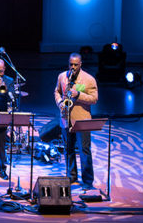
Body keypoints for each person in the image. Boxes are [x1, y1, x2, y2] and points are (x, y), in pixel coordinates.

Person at [54, 53, 98, 188]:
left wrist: (78, 94)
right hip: (65, 119)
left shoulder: (89, 79)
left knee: (84, 150)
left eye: (75, 65)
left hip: (81, 120)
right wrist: (60, 102)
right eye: (71, 64)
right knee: (68, 149)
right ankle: (71, 176)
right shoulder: (62, 76)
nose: (72, 67)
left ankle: (87, 181)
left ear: (81, 64)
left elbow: (94, 99)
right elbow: (56, 91)